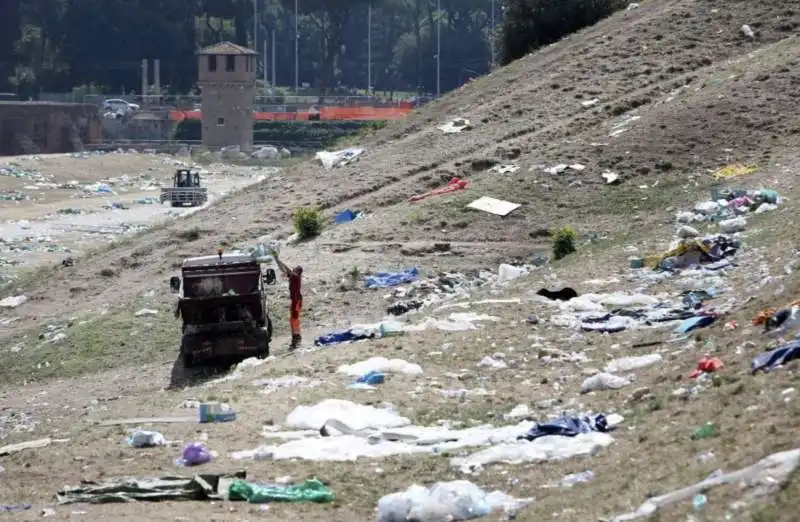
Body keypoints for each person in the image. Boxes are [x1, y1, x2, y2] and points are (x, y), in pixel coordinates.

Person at [272, 252, 303, 349]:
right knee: (293, 319)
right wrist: (277, 261)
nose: (293, 269)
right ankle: (296, 337)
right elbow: (284, 269)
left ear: (297, 271)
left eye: (295, 269)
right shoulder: (294, 277)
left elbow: (286, 269)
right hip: (296, 300)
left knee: (294, 319)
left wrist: (277, 259)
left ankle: (296, 337)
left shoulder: (295, 277)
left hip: (296, 301)